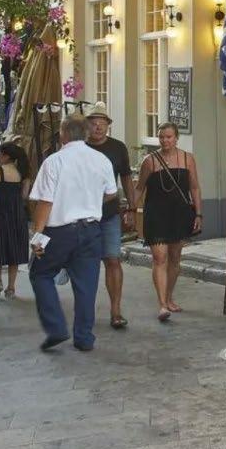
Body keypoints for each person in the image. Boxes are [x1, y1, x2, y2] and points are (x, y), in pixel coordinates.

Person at [28, 115, 117, 352]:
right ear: (86, 134)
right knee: (86, 284)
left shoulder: (54, 161)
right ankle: (84, 337)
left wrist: (37, 236)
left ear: (62, 134)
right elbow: (111, 193)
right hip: (91, 229)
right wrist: (90, 201)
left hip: (60, 231)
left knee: (40, 273)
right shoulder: (101, 160)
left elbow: (45, 202)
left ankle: (56, 327)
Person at [134, 123, 202, 322]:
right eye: (162, 137)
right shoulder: (150, 161)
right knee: (159, 258)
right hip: (156, 214)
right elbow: (139, 188)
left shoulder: (187, 159)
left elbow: (195, 187)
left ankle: (169, 296)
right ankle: (162, 304)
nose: (165, 141)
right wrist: (130, 209)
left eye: (169, 137)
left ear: (176, 138)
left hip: (179, 214)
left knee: (174, 258)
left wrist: (199, 214)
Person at [85, 103, 136, 330]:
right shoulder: (79, 148)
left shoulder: (117, 148)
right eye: (94, 123)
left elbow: (126, 177)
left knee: (113, 259)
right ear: (87, 126)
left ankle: (116, 311)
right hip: (83, 215)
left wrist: (132, 208)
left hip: (109, 214)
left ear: (108, 126)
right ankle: (85, 311)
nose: (98, 127)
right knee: (85, 264)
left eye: (102, 123)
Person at [0, 142, 30, 300]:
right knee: (14, 248)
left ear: (6, 156)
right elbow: (24, 196)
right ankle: (11, 288)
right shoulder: (24, 172)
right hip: (17, 214)